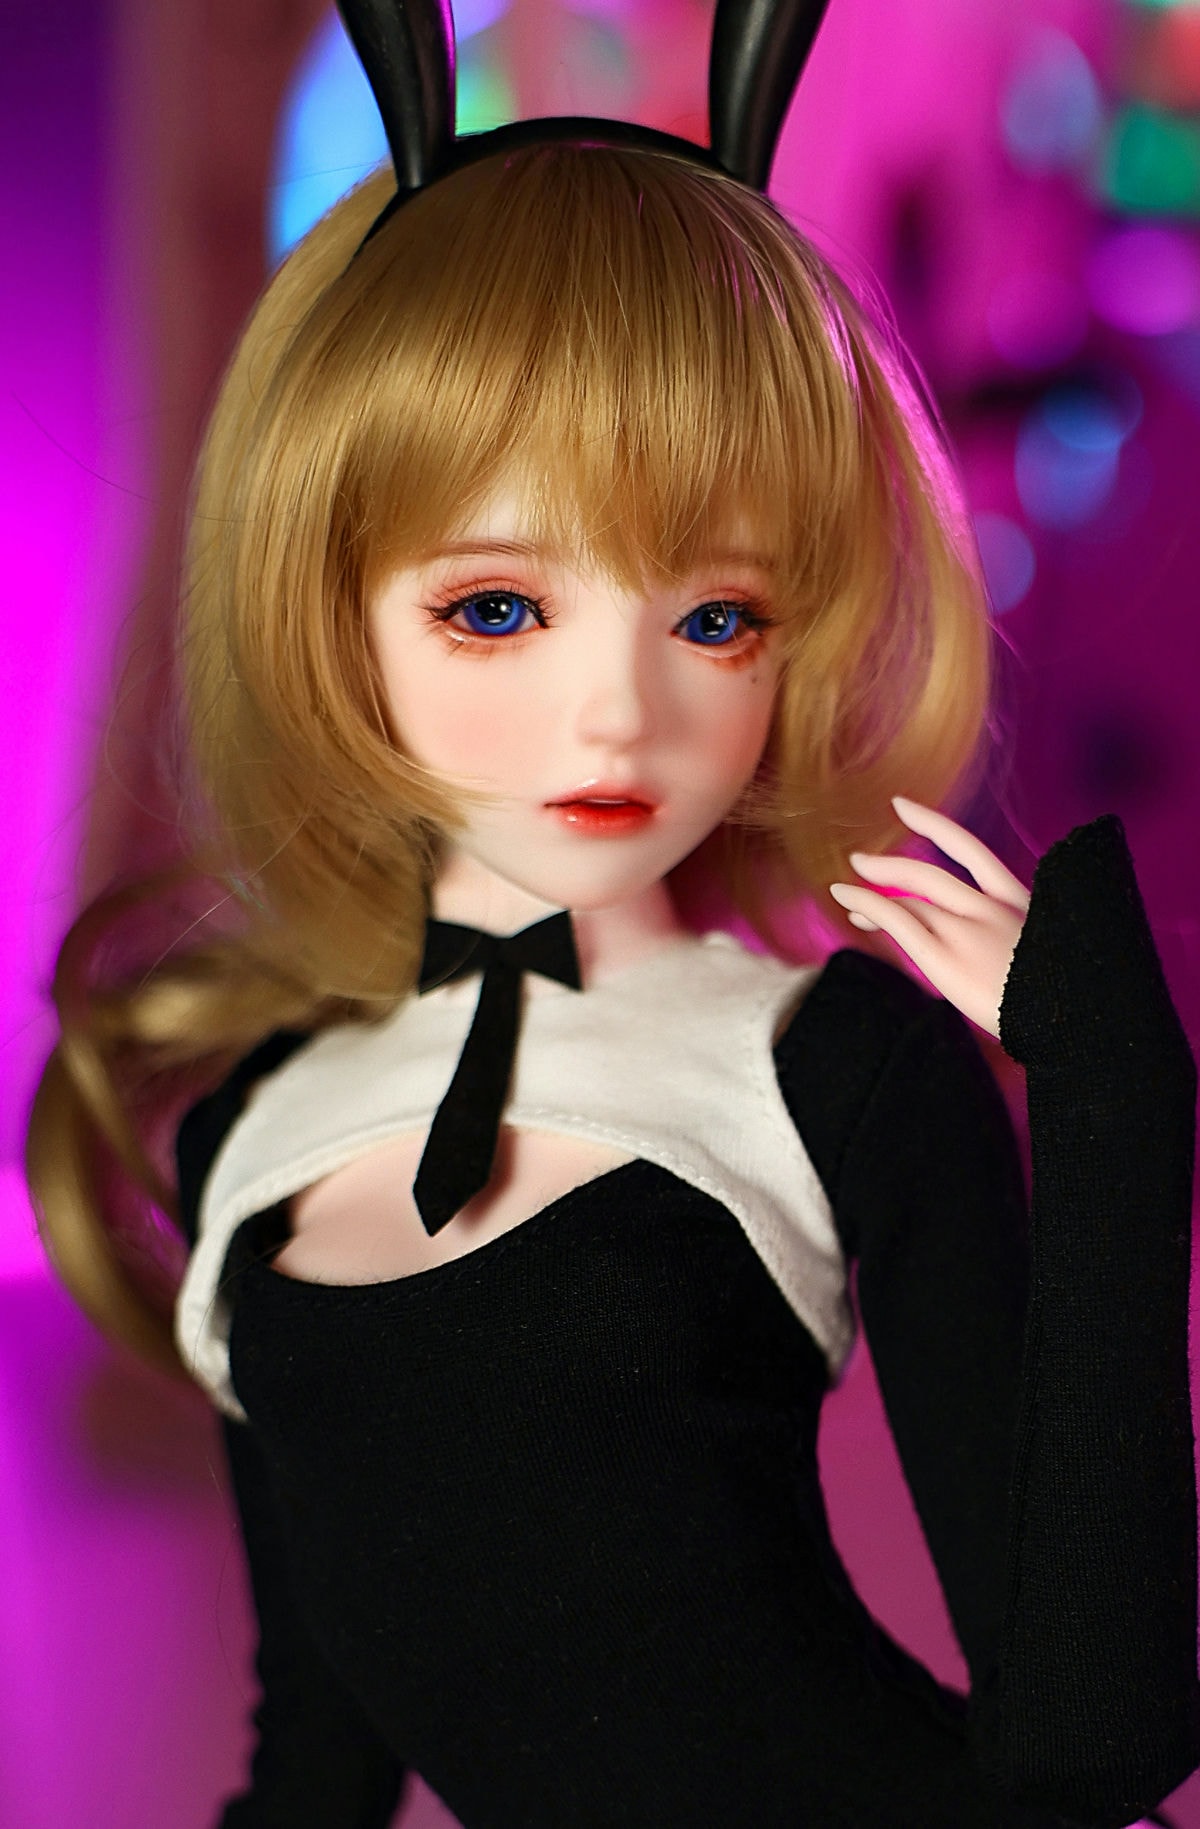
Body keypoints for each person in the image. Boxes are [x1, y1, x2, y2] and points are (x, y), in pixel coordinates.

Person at [27, 5, 1199, 1825]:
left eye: (714, 617)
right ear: (327, 603)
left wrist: (1113, 1094)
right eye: (497, 608)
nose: (619, 716)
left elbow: (1087, 1744)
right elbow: (316, 1765)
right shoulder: (258, 1124)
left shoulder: (836, 1070)